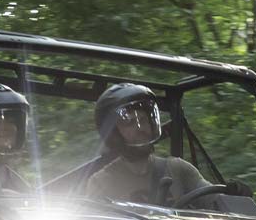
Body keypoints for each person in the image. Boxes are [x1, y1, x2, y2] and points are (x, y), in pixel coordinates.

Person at [84, 83, 212, 207]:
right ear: (114, 133)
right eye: (130, 122)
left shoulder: (178, 169)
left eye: (143, 120)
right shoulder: (101, 182)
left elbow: (217, 200)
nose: (140, 128)